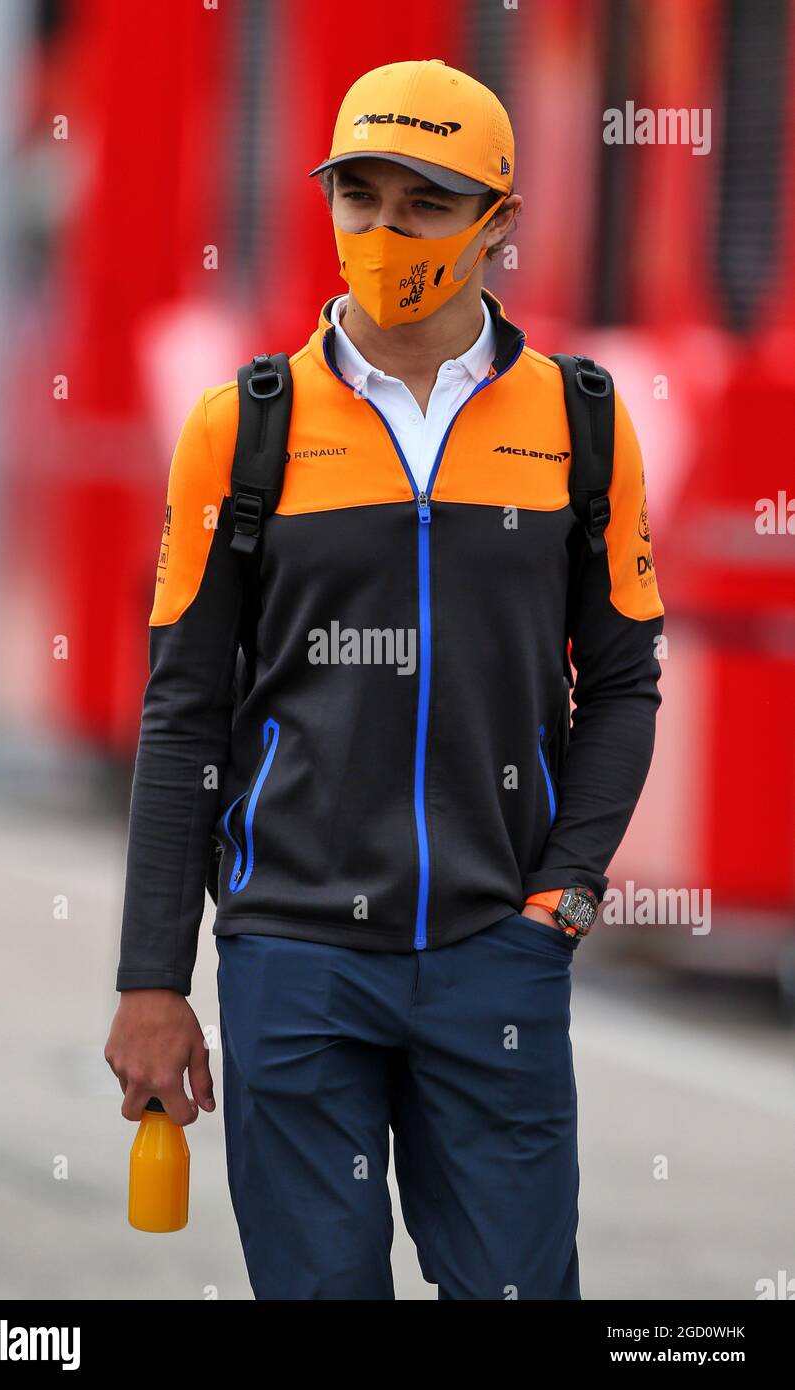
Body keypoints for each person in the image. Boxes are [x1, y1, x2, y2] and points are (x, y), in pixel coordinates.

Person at [105, 58, 665, 1300]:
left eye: (423, 202)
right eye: (358, 195)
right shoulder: (237, 427)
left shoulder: (579, 423)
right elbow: (182, 712)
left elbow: (622, 684)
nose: (382, 230)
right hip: (292, 965)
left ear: (497, 223)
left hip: (492, 960)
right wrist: (155, 978)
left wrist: (558, 903)